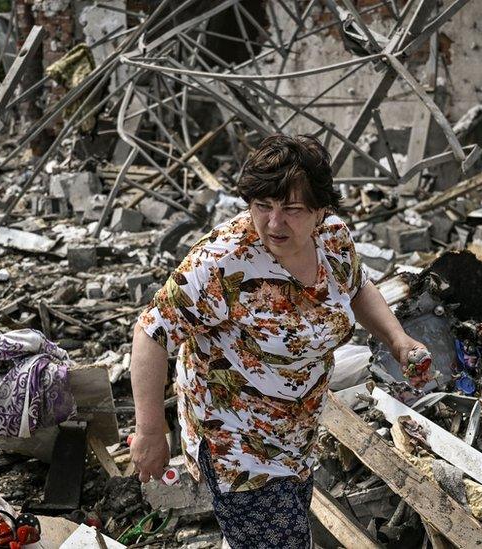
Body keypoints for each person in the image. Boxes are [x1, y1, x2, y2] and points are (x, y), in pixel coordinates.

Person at [129, 134, 429, 548]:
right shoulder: (220, 263)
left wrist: (398, 340)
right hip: (236, 446)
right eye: (262, 207)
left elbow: (357, 288)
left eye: (292, 210)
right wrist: (149, 430)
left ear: (321, 209)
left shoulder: (334, 240)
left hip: (298, 437)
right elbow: (151, 332)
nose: (274, 223)